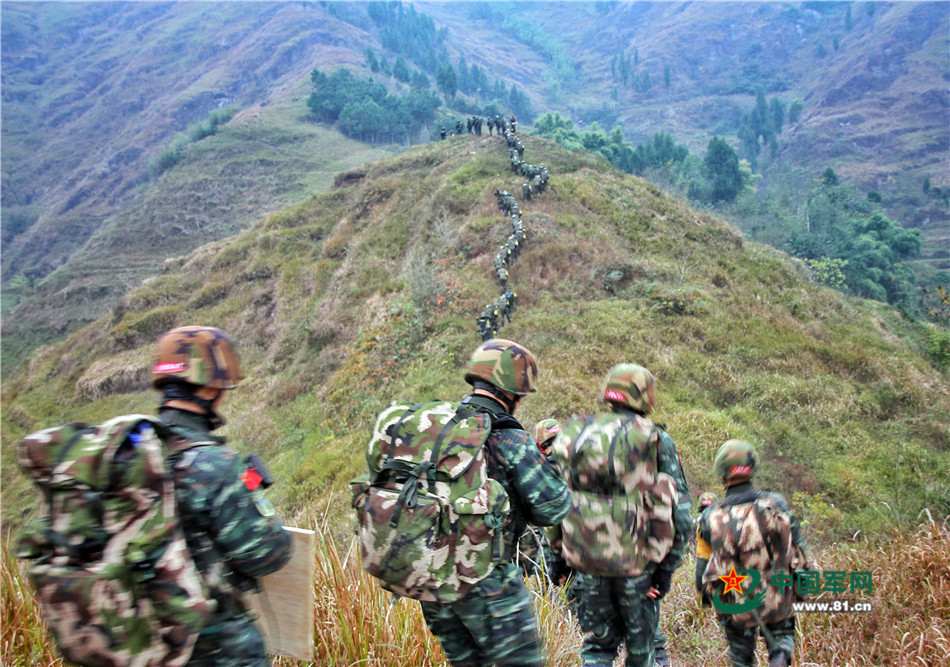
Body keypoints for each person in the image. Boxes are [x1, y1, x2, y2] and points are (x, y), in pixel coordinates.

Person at [418, 339, 572, 666]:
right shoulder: (506, 435)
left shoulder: (438, 427)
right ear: (511, 391)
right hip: (488, 583)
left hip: (433, 583)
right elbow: (554, 507)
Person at [152, 326, 293, 666]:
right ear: (211, 388)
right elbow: (267, 555)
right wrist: (253, 495)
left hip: (146, 643)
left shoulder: (131, 452)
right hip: (213, 647)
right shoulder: (215, 465)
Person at [556, 364, 691, 667]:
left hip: (587, 563)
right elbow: (681, 514)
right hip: (638, 569)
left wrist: (560, 562)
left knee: (597, 648)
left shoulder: (576, 433)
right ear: (645, 396)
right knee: (641, 651)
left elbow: (557, 499)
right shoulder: (655, 438)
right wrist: (665, 571)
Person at [696, 440, 808, 667]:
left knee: (741, 659)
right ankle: (780, 656)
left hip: (736, 603)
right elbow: (800, 553)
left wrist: (710, 598)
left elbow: (701, 574)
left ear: (722, 472)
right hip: (778, 596)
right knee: (782, 640)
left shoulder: (709, 517)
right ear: (752, 468)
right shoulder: (777, 504)